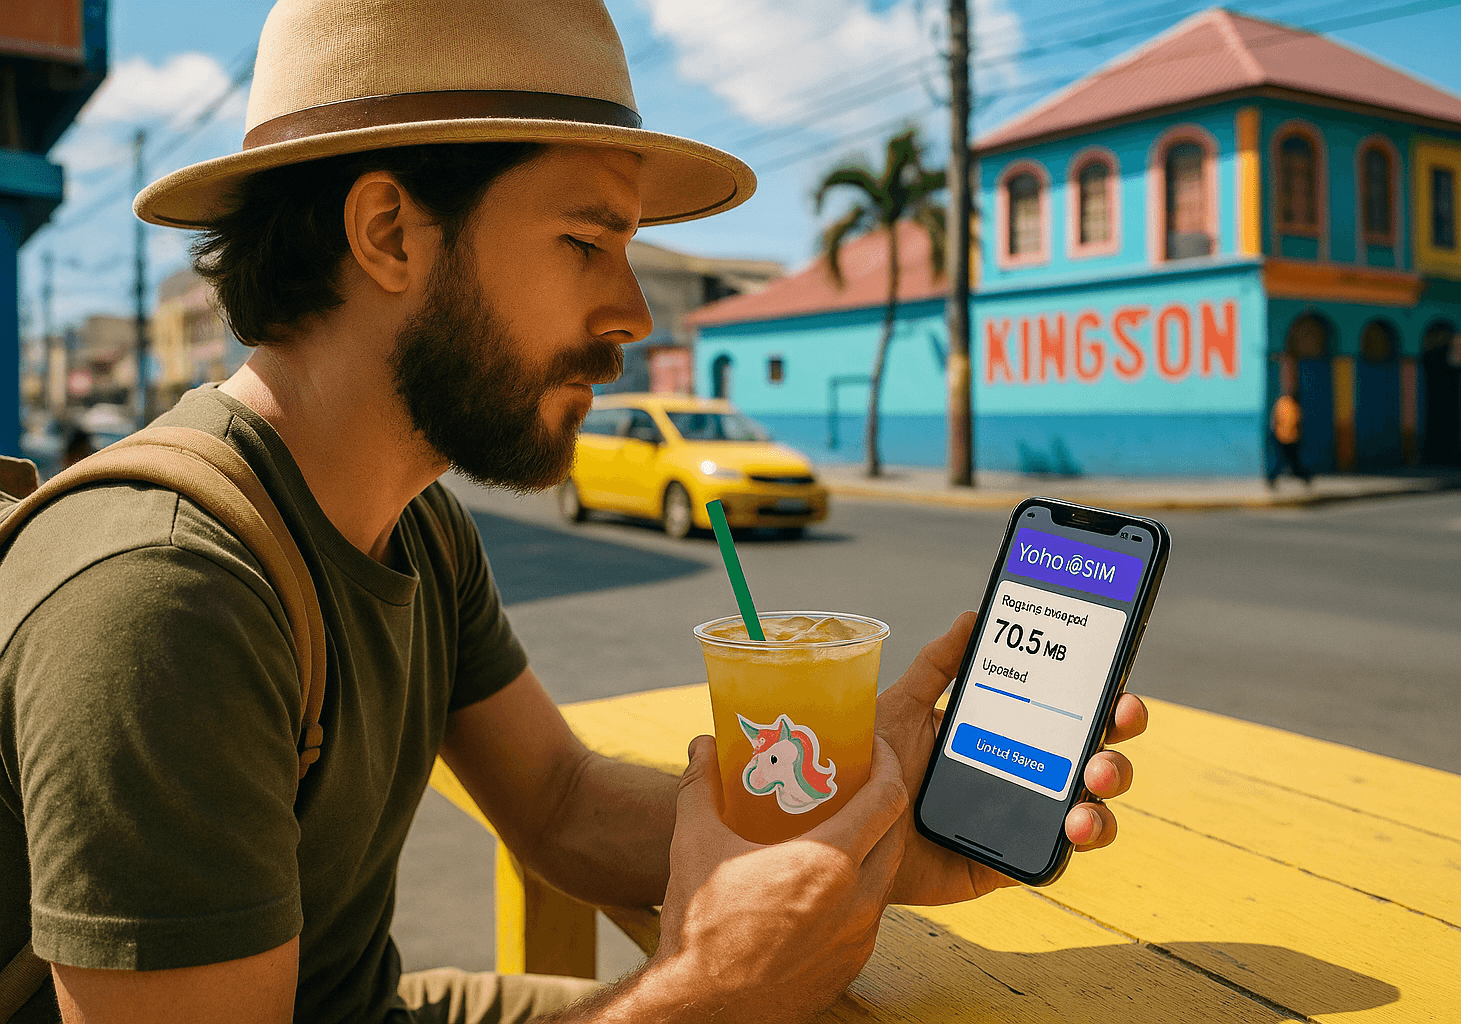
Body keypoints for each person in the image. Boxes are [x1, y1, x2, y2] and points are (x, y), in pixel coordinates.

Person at [0, 3, 1147, 1023]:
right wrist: (706, 995)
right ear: (389, 233)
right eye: (587, 242)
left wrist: (869, 827)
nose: (635, 311)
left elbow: (556, 801)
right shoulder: (163, 596)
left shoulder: (415, 523)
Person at [1268, 387, 1312, 486]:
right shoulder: (1290, 405)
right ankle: (1305, 477)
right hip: (1288, 437)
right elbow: (1294, 421)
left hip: (1284, 436)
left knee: (1289, 461)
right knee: (1289, 461)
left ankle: (1304, 477)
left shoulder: (1283, 403)